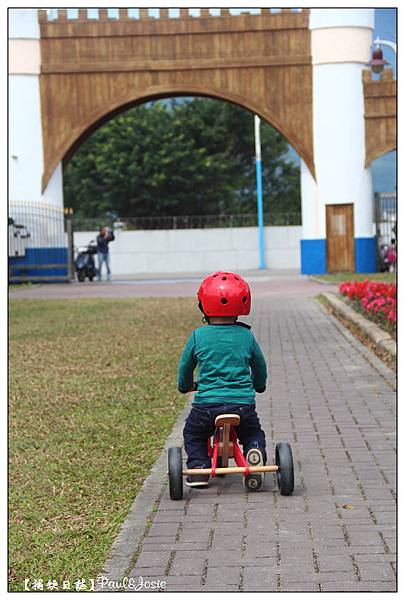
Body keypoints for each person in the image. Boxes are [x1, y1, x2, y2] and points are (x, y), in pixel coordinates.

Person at [178, 271, 267, 489]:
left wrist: (185, 386)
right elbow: (260, 365)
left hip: (206, 407)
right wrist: (259, 385)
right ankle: (254, 452)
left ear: (204, 306)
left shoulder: (198, 336)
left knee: (193, 433)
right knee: (252, 432)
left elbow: (185, 367)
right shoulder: (246, 336)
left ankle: (199, 469)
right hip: (242, 405)